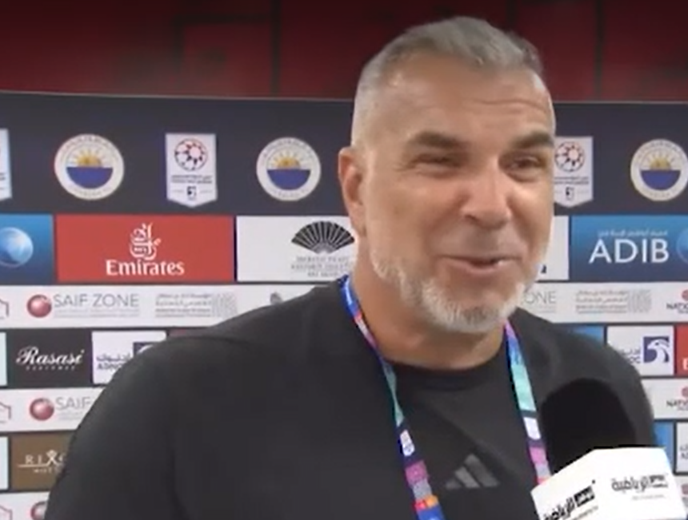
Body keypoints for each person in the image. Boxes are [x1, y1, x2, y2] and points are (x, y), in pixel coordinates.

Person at [45, 16, 654, 520]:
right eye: (441, 162)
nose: (493, 206)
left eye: (524, 164)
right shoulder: (177, 405)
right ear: (357, 189)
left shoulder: (599, 387)